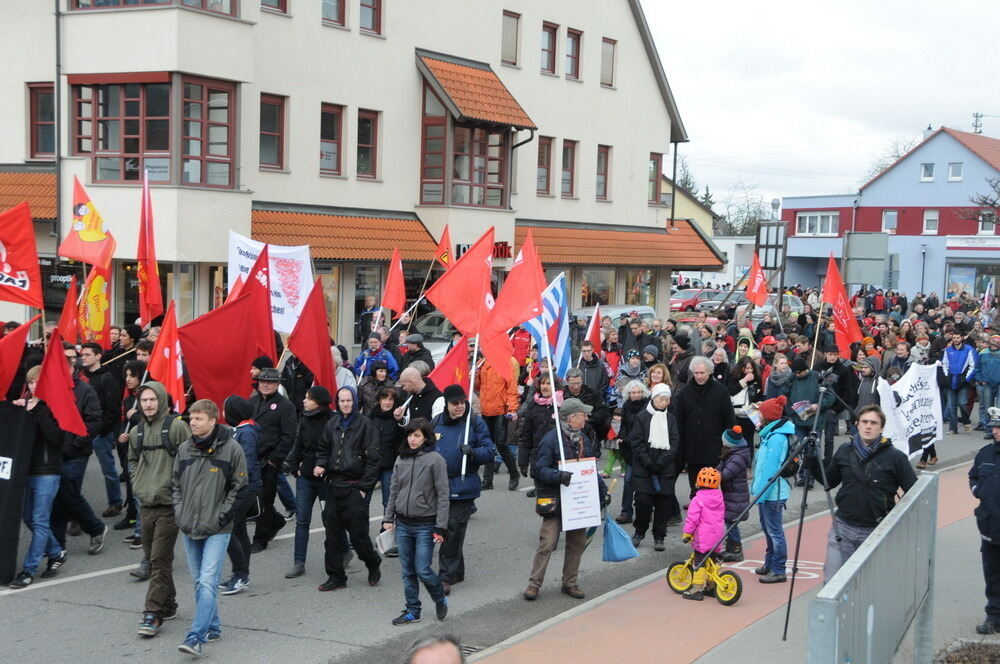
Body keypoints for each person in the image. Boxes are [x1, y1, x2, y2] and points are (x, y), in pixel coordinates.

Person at [172, 399, 249, 658]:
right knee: (198, 582)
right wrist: (180, 512)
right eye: (191, 418)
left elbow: (240, 487)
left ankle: (195, 636)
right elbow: (175, 484)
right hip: (189, 526)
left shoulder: (232, 449)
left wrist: (222, 516)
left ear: (213, 421)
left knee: (207, 581)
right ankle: (213, 626)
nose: (192, 422)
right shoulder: (184, 449)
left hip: (218, 528)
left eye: (198, 418)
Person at [808, 405, 917, 582]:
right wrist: (813, 464)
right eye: (864, 422)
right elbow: (830, 480)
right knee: (832, 583)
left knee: (866, 585)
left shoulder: (895, 457)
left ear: (881, 428)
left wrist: (897, 516)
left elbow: (914, 491)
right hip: (842, 528)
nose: (868, 426)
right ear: (857, 424)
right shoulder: (845, 450)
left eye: (873, 423)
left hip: (875, 531)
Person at [523, 399, 606, 601]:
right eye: (582, 415)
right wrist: (558, 476)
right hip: (556, 500)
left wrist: (603, 492)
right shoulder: (551, 439)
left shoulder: (584, 439)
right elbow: (539, 470)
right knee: (547, 543)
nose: (586, 418)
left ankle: (570, 583)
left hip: (578, 503)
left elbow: (589, 470)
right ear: (571, 417)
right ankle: (534, 584)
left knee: (576, 544)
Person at [131, 381, 192, 638]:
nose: (148, 404)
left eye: (152, 399)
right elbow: (132, 459)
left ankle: (153, 613)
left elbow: (190, 458)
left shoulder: (176, 427)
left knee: (156, 560)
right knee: (159, 560)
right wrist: (138, 482)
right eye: (144, 400)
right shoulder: (137, 432)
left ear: (161, 400)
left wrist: (180, 491)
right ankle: (169, 604)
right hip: (146, 504)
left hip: (169, 506)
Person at [313, 386, 382, 591]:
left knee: (358, 536)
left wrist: (364, 487)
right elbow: (324, 449)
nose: (345, 404)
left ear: (355, 402)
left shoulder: (365, 425)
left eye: (349, 401)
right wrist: (321, 464)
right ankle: (336, 577)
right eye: (342, 401)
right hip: (334, 485)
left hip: (354, 487)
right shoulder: (332, 424)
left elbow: (374, 459)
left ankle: (372, 562)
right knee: (332, 536)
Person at [383, 418, 450, 626]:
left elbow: (443, 494)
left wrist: (441, 526)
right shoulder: (401, 459)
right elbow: (393, 490)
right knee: (407, 571)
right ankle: (413, 609)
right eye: (410, 435)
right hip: (403, 524)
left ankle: (439, 597)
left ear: (426, 437)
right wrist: (388, 517)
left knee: (422, 568)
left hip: (425, 525)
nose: (412, 439)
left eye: (417, 435)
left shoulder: (435, 460)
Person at [432, 384, 495, 595]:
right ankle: (457, 570)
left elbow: (489, 451)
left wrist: (473, 452)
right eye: (454, 403)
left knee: (451, 528)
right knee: (454, 531)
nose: (459, 406)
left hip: (463, 485)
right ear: (446, 404)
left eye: (462, 402)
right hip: (439, 486)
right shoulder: (436, 423)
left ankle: (445, 576)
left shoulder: (475, 423)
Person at [8, 366, 66, 589]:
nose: (33, 386)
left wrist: (37, 410)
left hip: (47, 472)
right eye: (31, 382)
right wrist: (18, 410)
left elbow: (56, 437)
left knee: (40, 520)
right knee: (30, 519)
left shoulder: (53, 406)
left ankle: (28, 570)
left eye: (38, 382)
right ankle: (56, 551)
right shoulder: (24, 405)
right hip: (26, 472)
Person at [49, 344, 105, 559]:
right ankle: (58, 543)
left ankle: (96, 528)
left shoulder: (85, 390)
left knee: (69, 494)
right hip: (53, 452)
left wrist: (74, 445)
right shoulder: (51, 389)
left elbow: (94, 421)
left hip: (75, 453)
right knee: (59, 496)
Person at [282, 386, 335, 578]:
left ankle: (343, 551)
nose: (304, 400)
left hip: (325, 478)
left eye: (308, 398)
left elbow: (334, 449)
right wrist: (291, 464)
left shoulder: (332, 420)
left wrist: (326, 468)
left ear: (318, 401)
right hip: (305, 477)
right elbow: (298, 445)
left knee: (330, 519)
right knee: (302, 520)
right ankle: (299, 562)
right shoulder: (304, 418)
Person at [673, 356, 736, 500]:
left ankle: (709, 506)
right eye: (696, 373)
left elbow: (728, 418)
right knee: (694, 482)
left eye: (702, 373)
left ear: (709, 372)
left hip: (713, 444)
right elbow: (679, 420)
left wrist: (727, 443)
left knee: (710, 482)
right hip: (692, 444)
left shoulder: (721, 391)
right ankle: (695, 503)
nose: (699, 376)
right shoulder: (685, 392)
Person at [217, 396, 263, 595]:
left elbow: (247, 462)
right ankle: (241, 573)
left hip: (245, 488)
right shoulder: (241, 431)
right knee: (240, 529)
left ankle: (240, 574)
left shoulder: (247, 433)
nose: (223, 414)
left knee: (229, 528)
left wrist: (235, 481)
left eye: (225, 409)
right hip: (242, 487)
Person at [625, 383, 679, 551]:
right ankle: (639, 531)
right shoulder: (642, 417)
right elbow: (637, 442)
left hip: (665, 468)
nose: (664, 403)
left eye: (666, 400)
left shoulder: (670, 419)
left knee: (664, 504)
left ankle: (659, 535)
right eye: (661, 399)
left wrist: (662, 461)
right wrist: (648, 462)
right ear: (654, 399)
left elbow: (674, 442)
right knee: (643, 502)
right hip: (644, 468)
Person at [249, 367, 297, 553]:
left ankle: (260, 538)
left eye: (269, 382)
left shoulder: (285, 406)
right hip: (252, 458)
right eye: (262, 381)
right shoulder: (252, 402)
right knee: (254, 498)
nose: (265, 384)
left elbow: (289, 435)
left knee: (264, 499)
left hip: (269, 461)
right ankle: (276, 520)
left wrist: (274, 460)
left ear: (277, 384)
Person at [79, 342, 125, 518]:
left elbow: (113, 409)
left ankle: (115, 503)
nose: (83, 357)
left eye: (87, 354)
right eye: (82, 354)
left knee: (108, 470)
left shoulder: (107, 378)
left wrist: (100, 430)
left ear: (98, 356)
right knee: (76, 471)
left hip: (100, 433)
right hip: (82, 432)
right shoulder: (81, 377)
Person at [750, 396, 793, 583]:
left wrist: (760, 494)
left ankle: (779, 568)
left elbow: (770, 469)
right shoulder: (770, 435)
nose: (758, 418)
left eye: (761, 415)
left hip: (772, 493)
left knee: (774, 530)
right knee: (768, 529)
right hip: (767, 492)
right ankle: (769, 563)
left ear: (768, 417)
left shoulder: (776, 439)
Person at [971, 408, 1000, 634]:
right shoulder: (985, 453)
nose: (995, 431)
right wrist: (977, 489)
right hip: (990, 526)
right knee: (992, 575)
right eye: (994, 427)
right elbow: (973, 475)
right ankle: (994, 617)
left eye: (999, 427)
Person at [680, 468, 726, 601]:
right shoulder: (719, 498)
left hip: (703, 536)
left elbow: (692, 519)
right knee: (712, 561)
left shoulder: (697, 500)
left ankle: (697, 589)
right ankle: (711, 586)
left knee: (699, 562)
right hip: (717, 535)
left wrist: (687, 533)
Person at [477, 356, 521, 491]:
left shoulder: (505, 364)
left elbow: (512, 388)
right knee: (487, 445)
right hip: (485, 409)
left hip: (500, 410)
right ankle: (487, 480)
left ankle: (514, 474)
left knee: (500, 443)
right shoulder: (481, 363)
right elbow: (478, 386)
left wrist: (512, 408)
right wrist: (474, 375)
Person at [517, 374, 561, 496]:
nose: (545, 387)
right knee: (543, 502)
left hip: (558, 454)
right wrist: (523, 460)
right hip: (539, 453)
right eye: (543, 384)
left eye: (548, 384)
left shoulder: (562, 404)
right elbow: (526, 434)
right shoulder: (533, 405)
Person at [717, 426, 752, 563]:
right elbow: (721, 467)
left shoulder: (737, 458)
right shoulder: (733, 453)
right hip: (732, 495)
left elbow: (726, 474)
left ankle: (736, 550)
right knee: (729, 521)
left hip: (736, 496)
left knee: (731, 522)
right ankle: (731, 547)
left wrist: (713, 476)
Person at [943, 330, 977, 434]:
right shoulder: (948, 350)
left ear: (962, 338)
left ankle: (966, 421)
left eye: (958, 338)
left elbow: (973, 365)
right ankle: (953, 428)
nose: (956, 340)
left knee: (962, 403)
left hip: (963, 380)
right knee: (952, 405)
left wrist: (966, 378)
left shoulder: (969, 349)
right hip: (951, 379)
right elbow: (944, 364)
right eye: (954, 338)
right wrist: (946, 376)